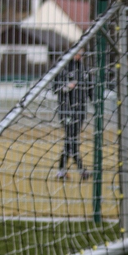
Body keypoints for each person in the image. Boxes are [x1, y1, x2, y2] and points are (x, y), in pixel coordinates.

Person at [53, 50, 93, 181]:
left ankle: (63, 171)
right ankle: (79, 170)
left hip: (80, 111)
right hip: (66, 110)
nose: (80, 54)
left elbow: (90, 91)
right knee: (71, 139)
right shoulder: (62, 68)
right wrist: (67, 86)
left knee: (72, 140)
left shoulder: (84, 70)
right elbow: (55, 88)